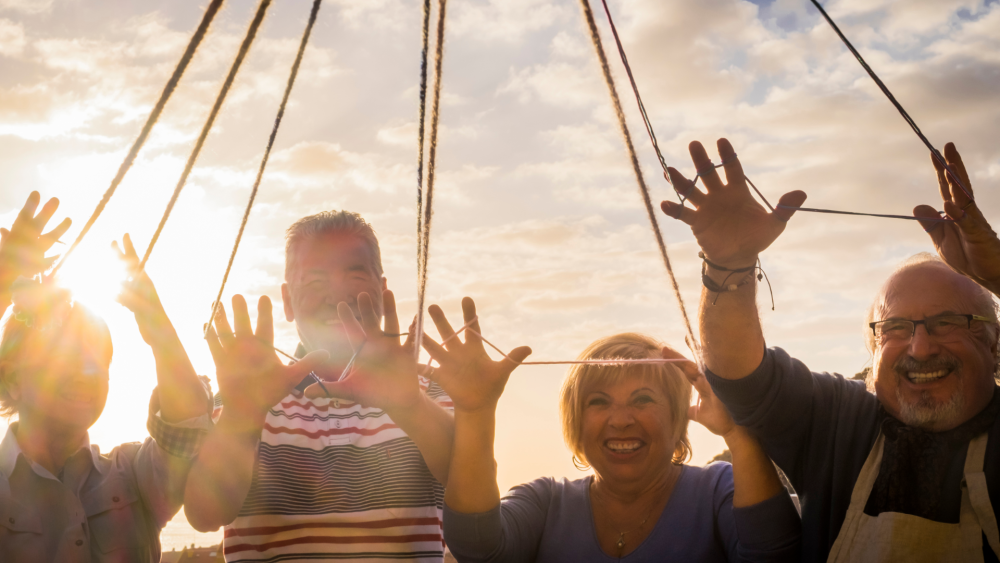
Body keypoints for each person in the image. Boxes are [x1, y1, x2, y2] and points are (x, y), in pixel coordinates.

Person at [659, 138, 1000, 561]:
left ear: (993, 343)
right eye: (894, 328)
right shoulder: (839, 419)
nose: (921, 347)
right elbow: (741, 379)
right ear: (873, 350)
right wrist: (729, 264)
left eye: (946, 323)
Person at [425, 298, 801, 562]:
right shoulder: (544, 502)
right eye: (598, 402)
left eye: (642, 400)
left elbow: (773, 554)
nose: (620, 419)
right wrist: (475, 411)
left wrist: (736, 433)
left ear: (678, 416)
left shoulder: (719, 490)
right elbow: (479, 550)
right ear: (575, 420)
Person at [184, 211, 455, 562]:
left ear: (383, 288)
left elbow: (470, 483)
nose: (336, 296)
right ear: (287, 300)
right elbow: (206, 515)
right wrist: (242, 417)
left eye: (354, 273)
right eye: (314, 282)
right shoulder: (244, 397)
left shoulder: (427, 394)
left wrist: (408, 405)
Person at [0, 192, 213, 562]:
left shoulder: (133, 475)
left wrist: (155, 322)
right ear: (13, 378)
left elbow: (188, 424)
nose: (87, 372)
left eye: (100, 361)